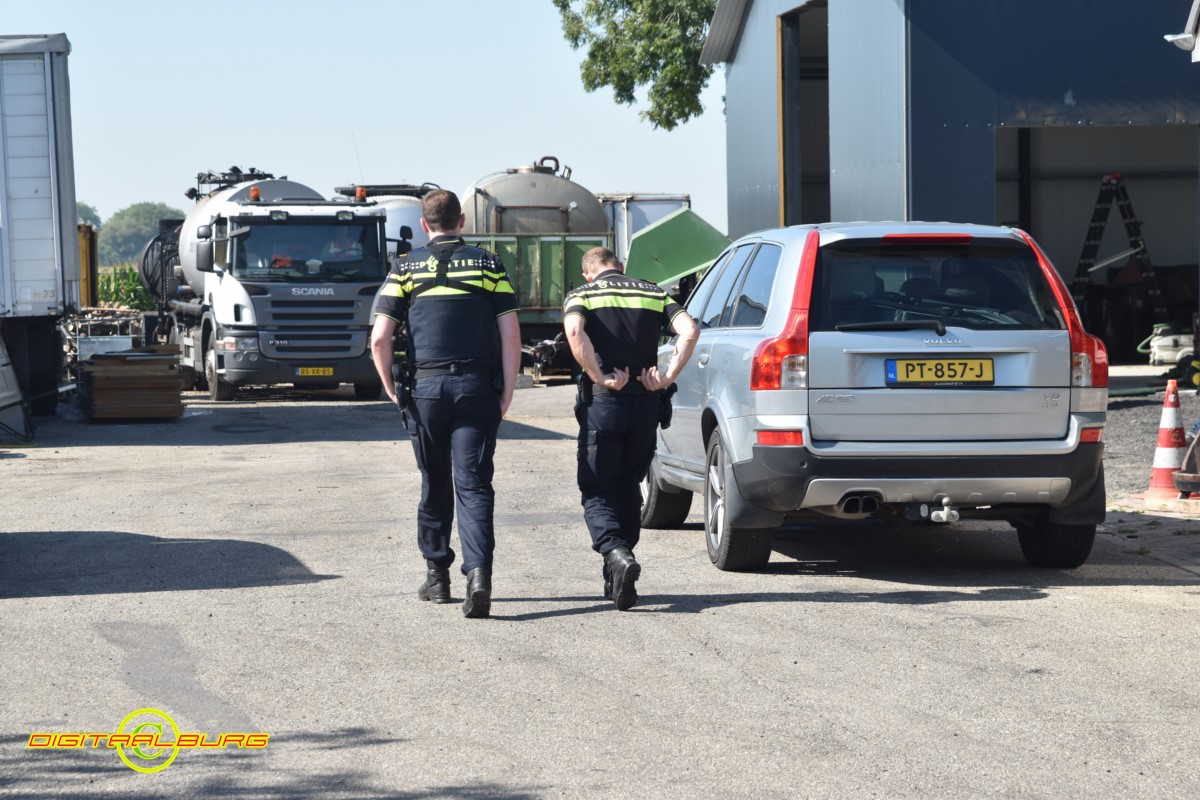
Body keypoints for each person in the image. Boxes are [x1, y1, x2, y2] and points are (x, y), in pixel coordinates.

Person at [370, 189, 521, 619]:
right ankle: (479, 575)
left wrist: (390, 386)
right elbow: (511, 335)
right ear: (461, 220)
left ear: (424, 225)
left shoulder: (404, 269)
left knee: (434, 481)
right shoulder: (488, 264)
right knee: (473, 485)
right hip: (477, 388)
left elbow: (380, 338)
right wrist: (507, 389)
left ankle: (438, 578)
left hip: (426, 391)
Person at [563, 247, 699, 610]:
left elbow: (575, 330)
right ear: (620, 268)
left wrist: (599, 376)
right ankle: (617, 576)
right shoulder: (654, 292)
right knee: (628, 486)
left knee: (596, 487)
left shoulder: (583, 294)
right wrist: (667, 376)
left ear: (590, 273)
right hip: (645, 404)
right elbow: (690, 330)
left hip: (605, 403)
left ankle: (616, 552)